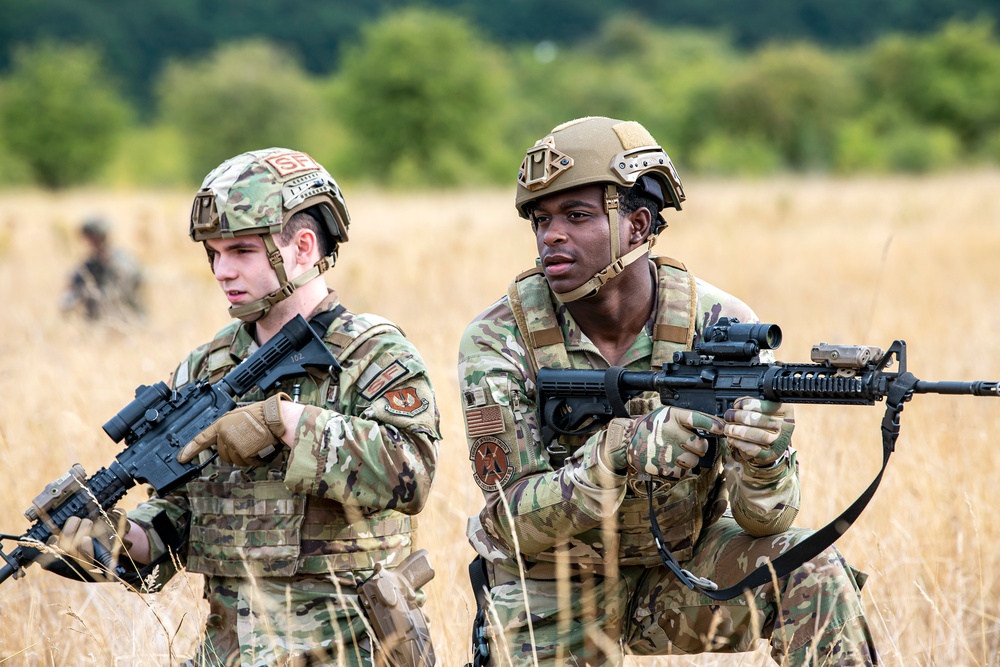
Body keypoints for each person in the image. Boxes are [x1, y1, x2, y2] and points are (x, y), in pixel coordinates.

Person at [458, 117, 876, 666]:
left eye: (576, 216)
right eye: (540, 220)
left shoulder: (721, 322)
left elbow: (766, 521)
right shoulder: (498, 339)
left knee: (812, 569)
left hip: (683, 570)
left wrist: (766, 460)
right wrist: (618, 455)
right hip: (552, 584)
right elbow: (512, 523)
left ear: (637, 226)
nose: (550, 236)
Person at [44, 148, 441, 666]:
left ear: (302, 247)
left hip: (351, 650)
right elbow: (182, 515)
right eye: (213, 253)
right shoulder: (206, 365)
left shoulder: (371, 353)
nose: (222, 270)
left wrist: (285, 422)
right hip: (228, 653)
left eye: (242, 251)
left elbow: (412, 475)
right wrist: (114, 541)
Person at [60, 217, 145, 321]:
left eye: (93, 238)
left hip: (127, 318)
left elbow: (123, 289)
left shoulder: (122, 261)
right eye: (88, 238)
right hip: (98, 322)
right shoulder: (90, 264)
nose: (90, 242)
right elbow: (74, 286)